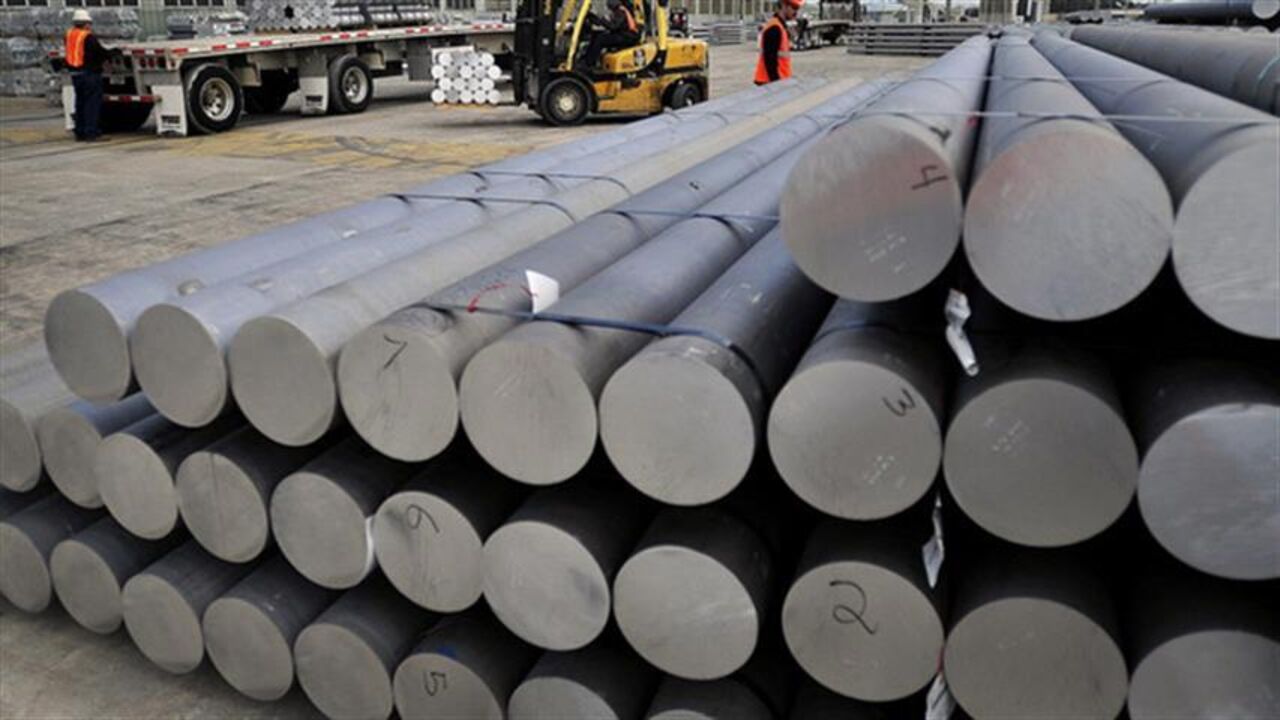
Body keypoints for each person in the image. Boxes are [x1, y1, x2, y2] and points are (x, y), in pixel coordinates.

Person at [64, 9, 117, 141]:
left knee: (80, 103)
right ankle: (91, 132)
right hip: (89, 74)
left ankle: (80, 132)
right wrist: (113, 53)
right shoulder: (88, 37)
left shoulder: (69, 35)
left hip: (75, 73)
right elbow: (99, 53)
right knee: (92, 104)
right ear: (86, 23)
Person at [580, 0, 640, 70]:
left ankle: (589, 63)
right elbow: (611, 25)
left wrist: (602, 20)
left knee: (600, 39)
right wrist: (597, 20)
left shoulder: (621, 11)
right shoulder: (618, 11)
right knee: (596, 35)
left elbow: (613, 26)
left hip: (626, 36)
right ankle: (588, 59)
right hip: (622, 34)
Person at [755, 0, 800, 85]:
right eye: (794, 7)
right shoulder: (774, 28)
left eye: (797, 8)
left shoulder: (780, 26)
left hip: (779, 81)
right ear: (784, 5)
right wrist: (776, 85)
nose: (796, 12)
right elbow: (770, 60)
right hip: (770, 83)